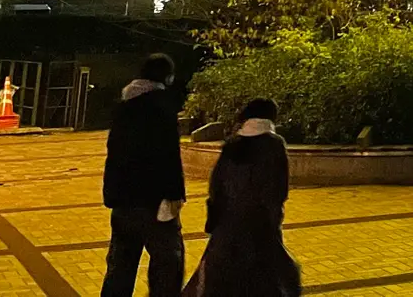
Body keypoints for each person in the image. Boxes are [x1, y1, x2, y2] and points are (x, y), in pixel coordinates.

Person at [188, 98, 301, 297]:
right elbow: (277, 189)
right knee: (267, 277)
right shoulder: (273, 144)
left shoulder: (233, 144)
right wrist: (274, 219)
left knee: (224, 278)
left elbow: (216, 185)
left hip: (227, 223)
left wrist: (214, 219)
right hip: (260, 223)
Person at [101, 52, 186, 297]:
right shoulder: (162, 106)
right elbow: (169, 155)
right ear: (167, 76)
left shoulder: (124, 106)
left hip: (123, 199)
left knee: (121, 264)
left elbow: (113, 152)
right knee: (168, 262)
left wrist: (111, 194)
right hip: (154, 200)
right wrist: (174, 194)